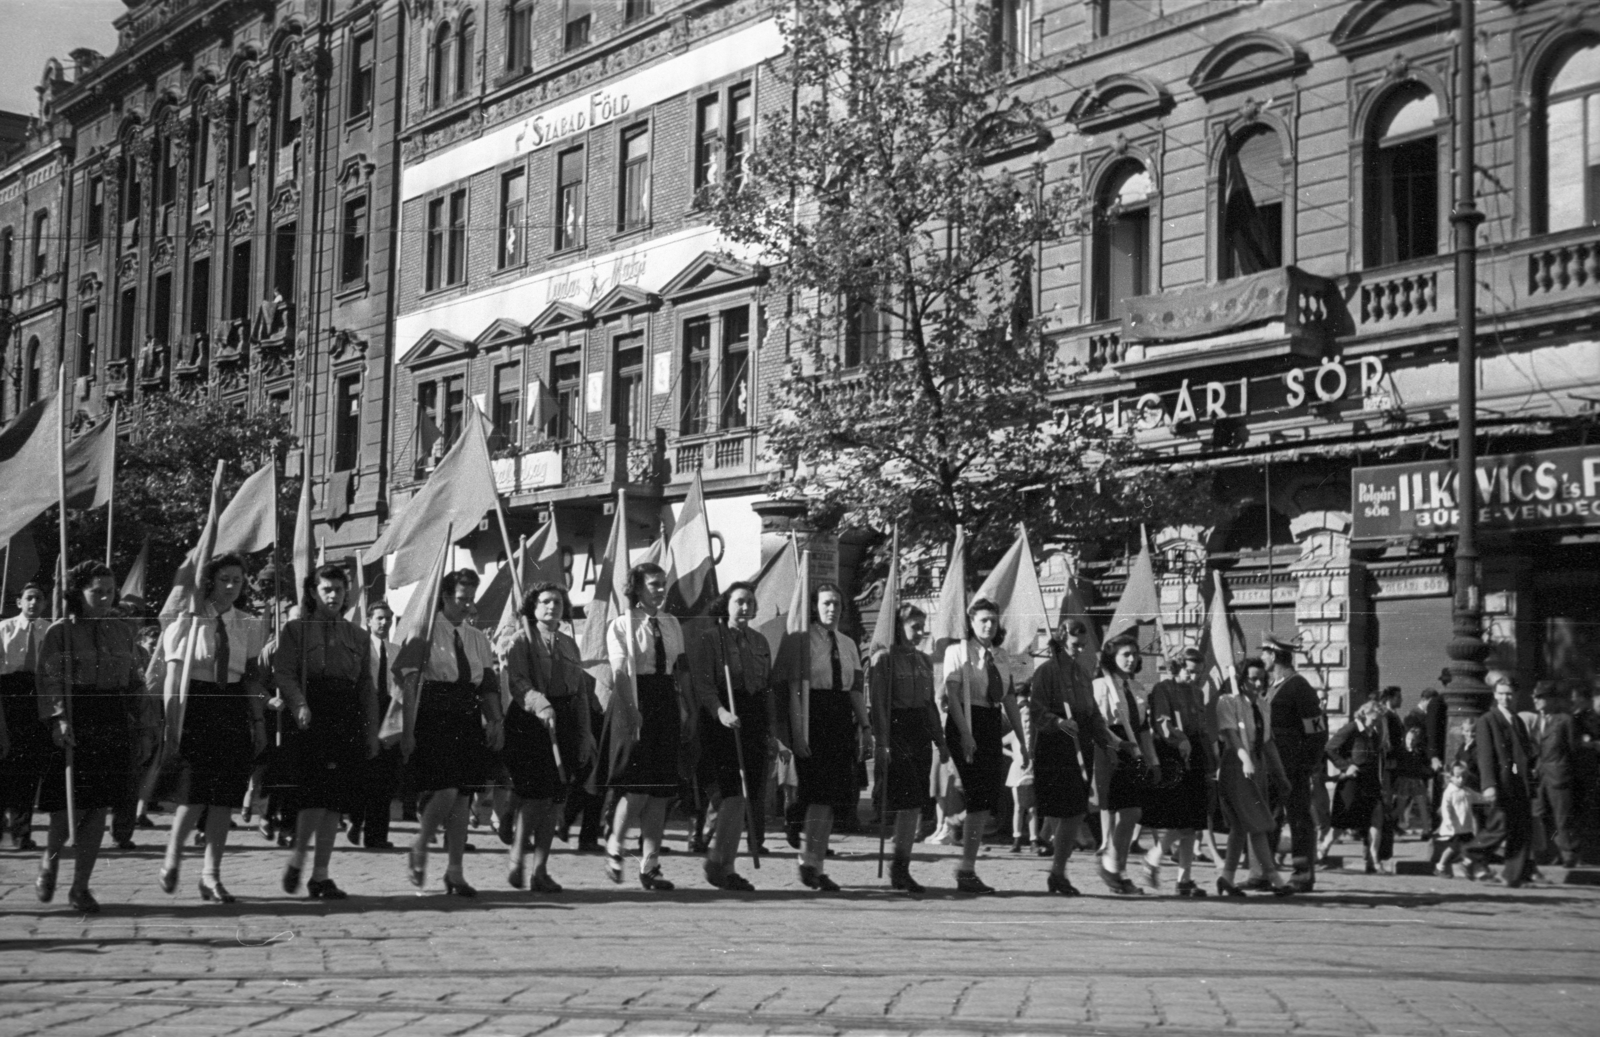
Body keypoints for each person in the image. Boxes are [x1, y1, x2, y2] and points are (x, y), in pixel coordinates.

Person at [157, 553, 270, 902]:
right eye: (225, 579)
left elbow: (250, 679)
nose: (232, 586)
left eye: (238, 580)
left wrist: (258, 722)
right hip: (197, 705)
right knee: (194, 794)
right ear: (210, 581)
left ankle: (211, 875)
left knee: (224, 798)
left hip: (231, 705)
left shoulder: (248, 624)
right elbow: (173, 677)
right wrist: (172, 722)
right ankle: (172, 859)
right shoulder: (187, 621)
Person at [35, 561, 144, 913]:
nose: (104, 597)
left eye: (109, 591)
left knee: (98, 806)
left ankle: (80, 887)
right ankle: (49, 864)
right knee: (68, 809)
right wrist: (58, 719)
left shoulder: (123, 630)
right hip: (75, 715)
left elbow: (134, 679)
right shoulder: (60, 632)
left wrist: (146, 719)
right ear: (77, 592)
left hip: (110, 715)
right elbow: (50, 679)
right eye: (96, 591)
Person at [274, 564, 379, 899]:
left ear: (347, 592)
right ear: (313, 592)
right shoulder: (295, 631)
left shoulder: (359, 636)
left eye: (338, 589)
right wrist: (299, 704)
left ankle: (320, 875)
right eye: (326, 589)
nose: (333, 595)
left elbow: (366, 687)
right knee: (313, 796)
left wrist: (372, 731)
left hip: (345, 716)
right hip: (311, 715)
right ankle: (298, 856)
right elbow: (284, 673)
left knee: (335, 802)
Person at [399, 568, 503, 896]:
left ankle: (454, 872)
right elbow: (410, 682)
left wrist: (495, 722)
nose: (468, 606)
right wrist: (407, 730)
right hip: (434, 715)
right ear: (445, 597)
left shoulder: (477, 638)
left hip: (467, 717)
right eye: (461, 599)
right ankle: (420, 845)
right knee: (444, 789)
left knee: (462, 797)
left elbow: (487, 685)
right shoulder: (424, 632)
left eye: (471, 599)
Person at [775, 581, 871, 892]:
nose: (832, 609)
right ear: (815, 607)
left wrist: (866, 727)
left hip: (840, 715)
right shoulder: (802, 641)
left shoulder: (848, 644)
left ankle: (816, 862)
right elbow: (794, 689)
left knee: (832, 798)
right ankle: (809, 860)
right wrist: (798, 731)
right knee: (818, 793)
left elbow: (855, 689)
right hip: (811, 713)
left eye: (837, 604)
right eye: (826, 603)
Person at [503, 581, 597, 893]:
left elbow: (581, 692)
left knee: (556, 799)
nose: (551, 606)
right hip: (532, 722)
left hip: (565, 720)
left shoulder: (570, 644)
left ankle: (540, 870)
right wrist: (538, 703)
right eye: (544, 601)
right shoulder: (520, 640)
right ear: (533, 606)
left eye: (557, 601)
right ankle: (518, 855)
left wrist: (585, 734)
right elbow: (516, 682)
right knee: (537, 796)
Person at [604, 563, 692, 891]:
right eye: (653, 584)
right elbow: (619, 673)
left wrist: (686, 705)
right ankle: (615, 845)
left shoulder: (671, 623)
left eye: (662, 584)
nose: (660, 589)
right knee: (636, 787)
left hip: (665, 699)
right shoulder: (622, 625)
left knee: (660, 791)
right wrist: (630, 708)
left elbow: (680, 669)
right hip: (635, 699)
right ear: (637, 588)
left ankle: (650, 865)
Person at [939, 598, 1029, 895]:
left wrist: (1022, 741)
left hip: (990, 721)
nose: (988, 625)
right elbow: (952, 696)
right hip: (965, 719)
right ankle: (966, 867)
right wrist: (965, 734)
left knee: (986, 799)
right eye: (983, 620)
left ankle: (963, 847)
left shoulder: (1001, 656)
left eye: (993, 620)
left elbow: (1009, 699)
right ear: (971, 622)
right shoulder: (958, 651)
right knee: (977, 795)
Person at [695, 581, 775, 891]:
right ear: (726, 604)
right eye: (739, 601)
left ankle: (724, 864)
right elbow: (703, 685)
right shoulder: (711, 639)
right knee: (731, 791)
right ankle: (719, 862)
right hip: (723, 718)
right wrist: (721, 713)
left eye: (749, 602)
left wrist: (770, 731)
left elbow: (766, 688)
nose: (744, 607)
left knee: (746, 795)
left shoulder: (760, 642)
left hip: (752, 717)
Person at [1028, 620, 1112, 896]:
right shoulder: (1046, 672)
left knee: (1075, 812)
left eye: (1083, 646)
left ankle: (1058, 871)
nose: (1079, 650)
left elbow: (1093, 713)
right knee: (1064, 811)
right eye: (1075, 645)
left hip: (1082, 744)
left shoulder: (1083, 674)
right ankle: (1056, 869)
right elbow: (1037, 711)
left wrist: (1110, 740)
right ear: (1063, 640)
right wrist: (1058, 721)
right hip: (1056, 747)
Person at [868, 604, 947, 894]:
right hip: (897, 729)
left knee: (914, 803)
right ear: (899, 626)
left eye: (922, 625)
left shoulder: (924, 661)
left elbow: (930, 705)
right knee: (908, 801)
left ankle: (901, 864)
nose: (920, 631)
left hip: (919, 731)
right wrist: (883, 741)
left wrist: (940, 740)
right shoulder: (884, 659)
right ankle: (899, 865)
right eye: (914, 625)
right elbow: (877, 704)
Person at [1213, 657, 1294, 897]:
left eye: (1262, 678)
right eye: (1253, 678)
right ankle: (1274, 878)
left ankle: (1226, 879)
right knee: (1258, 822)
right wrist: (1245, 759)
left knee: (1240, 826)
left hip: (1256, 765)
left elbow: (1268, 743)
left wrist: (1280, 775)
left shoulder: (1263, 705)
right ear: (1241, 678)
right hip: (1236, 765)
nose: (1258, 683)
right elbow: (1231, 735)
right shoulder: (1228, 702)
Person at [1140, 646, 1213, 895]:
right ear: (1178, 667)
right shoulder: (1163, 689)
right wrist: (1177, 739)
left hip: (1195, 756)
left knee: (1193, 823)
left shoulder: (1197, 692)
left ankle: (1184, 880)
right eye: (1190, 672)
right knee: (1179, 818)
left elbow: (1201, 726)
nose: (1194, 677)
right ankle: (1154, 857)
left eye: (1198, 673)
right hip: (1173, 756)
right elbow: (1161, 722)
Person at [1091, 633, 1160, 894]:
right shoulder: (1100, 686)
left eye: (1134, 654)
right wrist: (1114, 746)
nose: (1131, 659)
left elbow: (1143, 729)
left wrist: (1152, 761)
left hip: (1134, 752)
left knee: (1131, 812)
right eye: (1125, 655)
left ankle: (1115, 868)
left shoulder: (1138, 689)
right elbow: (1097, 724)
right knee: (1124, 811)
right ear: (1112, 658)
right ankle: (1113, 866)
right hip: (1110, 749)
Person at [1261, 634, 1326, 892]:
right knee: (1270, 818)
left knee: (1298, 819)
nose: (1262, 658)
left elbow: (1318, 730)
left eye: (1265, 653)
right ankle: (1266, 873)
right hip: (1273, 766)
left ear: (1274, 655)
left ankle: (1302, 875)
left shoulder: (1298, 687)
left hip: (1293, 767)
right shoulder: (1274, 686)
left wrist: (1309, 764)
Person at [1326, 687, 1401, 874]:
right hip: (1352, 781)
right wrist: (1345, 766)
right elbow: (1330, 748)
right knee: (1342, 823)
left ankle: (1374, 860)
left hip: (1370, 781)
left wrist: (1381, 782)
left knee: (1376, 819)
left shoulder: (1374, 734)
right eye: (1373, 719)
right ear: (1364, 714)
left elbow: (1376, 760)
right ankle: (1323, 849)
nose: (1376, 724)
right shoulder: (1352, 728)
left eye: (1378, 721)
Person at [1473, 670, 1537, 887]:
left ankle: (1513, 875)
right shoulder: (1487, 720)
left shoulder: (1518, 721)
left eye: (1509, 694)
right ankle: (1470, 853)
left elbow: (1524, 752)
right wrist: (1489, 785)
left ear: (1516, 695)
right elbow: (1485, 755)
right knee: (1500, 826)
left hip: (1520, 783)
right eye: (1501, 694)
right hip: (1501, 784)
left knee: (1521, 829)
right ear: (1495, 694)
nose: (1505, 698)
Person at [0, 582, 50, 850]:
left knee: (28, 768)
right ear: (19, 601)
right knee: (3, 764)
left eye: (39, 598)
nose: (33, 603)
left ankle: (21, 832)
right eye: (29, 598)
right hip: (8, 697)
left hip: (36, 697)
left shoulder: (50, 631)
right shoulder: (3, 629)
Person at [347, 601, 400, 850]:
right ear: (368, 621)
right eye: (379, 618)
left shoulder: (397, 650)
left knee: (385, 777)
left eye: (388, 618)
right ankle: (356, 820)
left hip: (388, 713)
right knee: (362, 773)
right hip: (364, 712)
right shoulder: (359, 647)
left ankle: (377, 835)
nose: (384, 622)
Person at [1530, 680, 1580, 868]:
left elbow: (1573, 749)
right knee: (1539, 814)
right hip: (1540, 776)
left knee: (1562, 816)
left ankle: (1569, 854)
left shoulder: (1564, 720)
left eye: (1540, 697)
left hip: (1559, 774)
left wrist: (1566, 770)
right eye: (1535, 696)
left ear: (1551, 699)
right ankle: (1549, 852)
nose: (1536, 700)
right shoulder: (1537, 721)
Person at [1435, 762, 1486, 878]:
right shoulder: (1449, 792)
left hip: (1466, 827)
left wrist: (1488, 798)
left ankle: (1468, 866)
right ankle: (1440, 867)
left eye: (1463, 777)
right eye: (1457, 776)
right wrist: (1448, 822)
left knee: (1471, 847)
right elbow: (1445, 808)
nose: (1461, 779)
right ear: (1451, 777)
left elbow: (1478, 797)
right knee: (1454, 848)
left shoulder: (1467, 791)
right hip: (1454, 827)